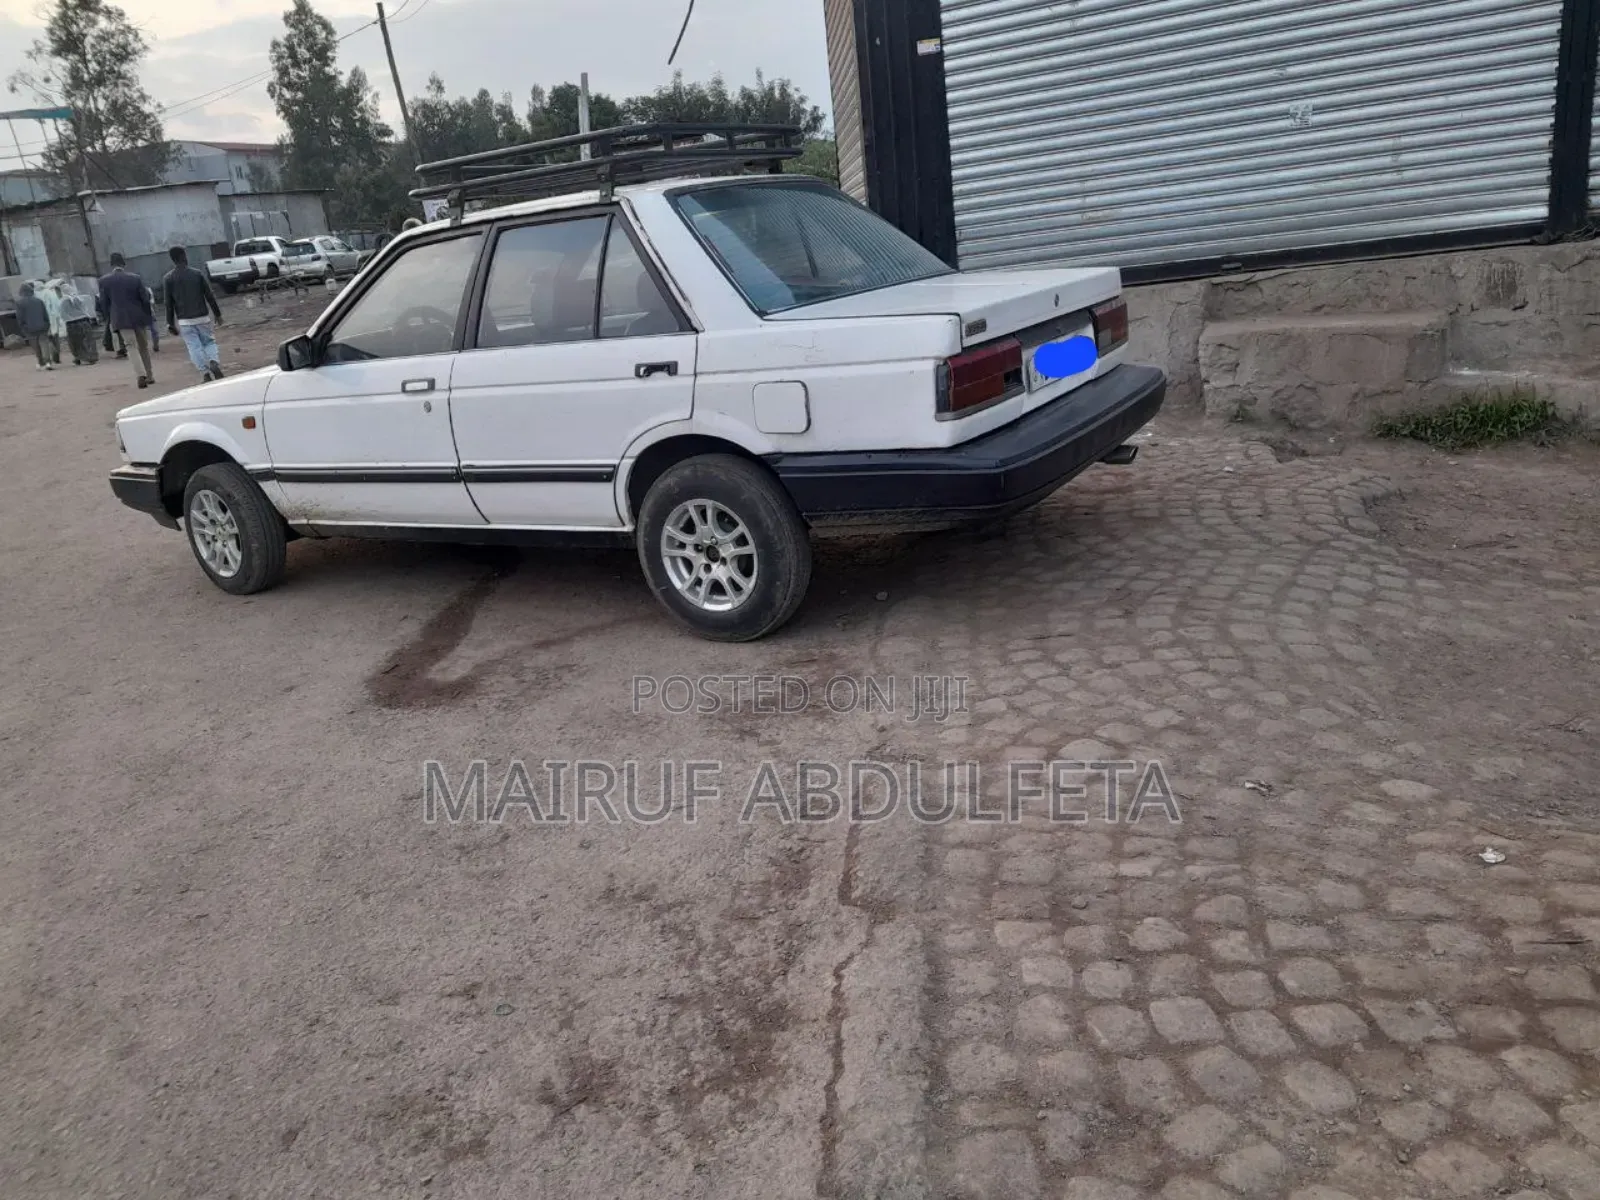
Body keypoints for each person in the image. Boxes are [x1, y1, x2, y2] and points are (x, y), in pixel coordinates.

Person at [162, 246, 225, 381]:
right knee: (209, 342)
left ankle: (205, 373)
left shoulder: (168, 278)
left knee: (193, 346)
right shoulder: (197, 274)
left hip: (184, 320)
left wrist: (170, 323)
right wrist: (218, 314)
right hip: (202, 317)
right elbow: (209, 296)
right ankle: (213, 361)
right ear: (184, 256)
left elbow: (168, 303)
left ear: (172, 260)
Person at [98, 252, 156, 388]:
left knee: (131, 346)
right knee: (143, 347)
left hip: (120, 318)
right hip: (139, 317)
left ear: (111, 264)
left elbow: (103, 303)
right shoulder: (135, 278)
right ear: (124, 263)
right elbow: (145, 299)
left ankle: (140, 374)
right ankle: (150, 375)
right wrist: (148, 316)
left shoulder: (104, 281)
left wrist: (110, 318)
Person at [56, 280, 99, 365]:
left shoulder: (63, 301)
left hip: (72, 323)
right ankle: (92, 356)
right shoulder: (80, 298)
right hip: (84, 321)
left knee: (75, 342)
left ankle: (80, 357)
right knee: (88, 340)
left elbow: (62, 314)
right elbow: (87, 309)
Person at [15, 282, 54, 370]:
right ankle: (48, 362)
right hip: (42, 326)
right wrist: (47, 325)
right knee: (44, 344)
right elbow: (45, 315)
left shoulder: (19, 303)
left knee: (36, 346)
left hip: (29, 329)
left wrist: (23, 328)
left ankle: (41, 363)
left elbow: (20, 317)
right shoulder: (39, 301)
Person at [36, 278, 66, 365]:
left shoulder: (37, 295)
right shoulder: (51, 293)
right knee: (55, 338)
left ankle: (48, 358)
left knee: (46, 339)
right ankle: (56, 357)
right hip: (54, 318)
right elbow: (57, 306)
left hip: (44, 320)